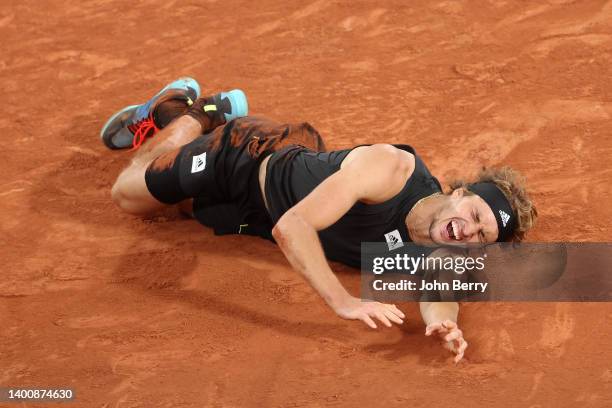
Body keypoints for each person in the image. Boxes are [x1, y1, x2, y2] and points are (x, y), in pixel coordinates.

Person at [102, 78, 537, 362]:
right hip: (246, 157)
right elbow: (292, 228)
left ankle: (175, 123)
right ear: (460, 193)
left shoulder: (440, 248)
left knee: (177, 209)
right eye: (476, 214)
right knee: (129, 196)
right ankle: (198, 114)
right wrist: (343, 303)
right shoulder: (391, 169)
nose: (470, 231)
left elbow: (440, 294)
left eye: (482, 236)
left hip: (257, 214)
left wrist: (444, 324)